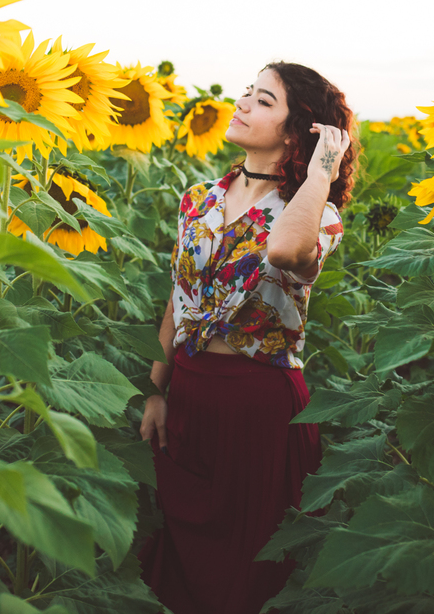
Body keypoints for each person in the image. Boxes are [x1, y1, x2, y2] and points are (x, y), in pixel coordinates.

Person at [137, 62, 357, 614]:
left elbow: (283, 251)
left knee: (248, 575)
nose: (241, 103)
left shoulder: (316, 214)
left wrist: (318, 174)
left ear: (294, 130)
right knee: (181, 566)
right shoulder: (199, 199)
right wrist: (157, 389)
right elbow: (178, 300)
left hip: (257, 411)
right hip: (189, 394)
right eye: (246, 93)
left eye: (262, 100)